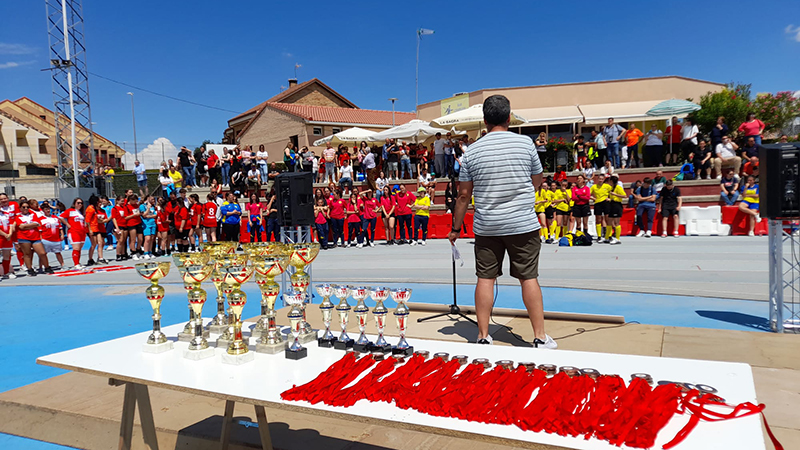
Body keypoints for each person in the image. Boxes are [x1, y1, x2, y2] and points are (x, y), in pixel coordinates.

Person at [450, 95, 556, 348]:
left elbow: (464, 195)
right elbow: (537, 180)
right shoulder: (526, 144)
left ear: (484, 120)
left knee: (485, 278)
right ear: (509, 117)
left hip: (488, 225)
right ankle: (540, 336)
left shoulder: (472, 151)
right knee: (528, 277)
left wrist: (455, 228)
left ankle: (483, 335)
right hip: (522, 223)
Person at [14, 201, 53, 276]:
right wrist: (32, 225)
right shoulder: (18, 217)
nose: (26, 209)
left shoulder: (33, 214)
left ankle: (47, 267)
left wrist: (27, 226)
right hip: (24, 237)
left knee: (42, 253)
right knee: (27, 254)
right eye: (24, 207)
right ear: (20, 208)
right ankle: (30, 268)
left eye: (27, 207)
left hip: (35, 237)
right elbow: (21, 226)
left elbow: (37, 224)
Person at [57, 197, 87, 268]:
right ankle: (76, 264)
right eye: (78, 203)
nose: (80, 204)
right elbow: (60, 217)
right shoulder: (70, 211)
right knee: (76, 248)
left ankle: (78, 263)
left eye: (81, 203)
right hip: (74, 231)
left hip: (82, 232)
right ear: (74, 204)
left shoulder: (80, 212)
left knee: (79, 248)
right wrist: (67, 224)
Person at [39, 203, 65, 270]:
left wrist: (62, 234)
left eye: (48, 209)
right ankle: (41, 267)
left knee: (58, 253)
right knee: (43, 254)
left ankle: (62, 264)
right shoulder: (41, 219)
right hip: (46, 239)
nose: (48, 211)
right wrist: (41, 240)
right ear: (43, 211)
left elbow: (60, 227)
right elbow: (40, 231)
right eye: (46, 209)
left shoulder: (55, 217)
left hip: (56, 239)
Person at [84, 194, 108, 264]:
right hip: (92, 228)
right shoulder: (90, 209)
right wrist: (90, 230)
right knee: (93, 244)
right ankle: (90, 259)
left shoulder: (94, 209)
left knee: (100, 243)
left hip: (96, 228)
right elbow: (87, 220)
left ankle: (100, 258)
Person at [606, 176, 626, 244]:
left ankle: (617, 238)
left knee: (616, 222)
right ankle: (607, 237)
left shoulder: (618, 187)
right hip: (611, 204)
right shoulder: (611, 188)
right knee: (609, 221)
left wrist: (615, 194)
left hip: (617, 205)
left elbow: (624, 195)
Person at [590, 173, 610, 242]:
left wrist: (610, 199)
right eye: (599, 179)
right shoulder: (594, 187)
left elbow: (613, 193)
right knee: (598, 220)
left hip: (605, 202)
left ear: (604, 179)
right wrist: (593, 199)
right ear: (597, 179)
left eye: (602, 179)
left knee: (607, 219)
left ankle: (608, 235)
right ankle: (599, 236)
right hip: (597, 203)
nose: (601, 180)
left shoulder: (607, 186)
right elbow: (588, 194)